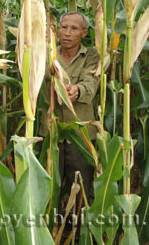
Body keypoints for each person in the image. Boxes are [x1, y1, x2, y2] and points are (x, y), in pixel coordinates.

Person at [43, 11, 100, 201]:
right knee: (49, 186)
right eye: (63, 27)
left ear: (84, 33)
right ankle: (51, 226)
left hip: (80, 133)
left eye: (74, 28)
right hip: (52, 132)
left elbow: (91, 83)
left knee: (80, 187)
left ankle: (78, 228)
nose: (67, 33)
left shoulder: (91, 56)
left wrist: (78, 90)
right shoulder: (47, 54)